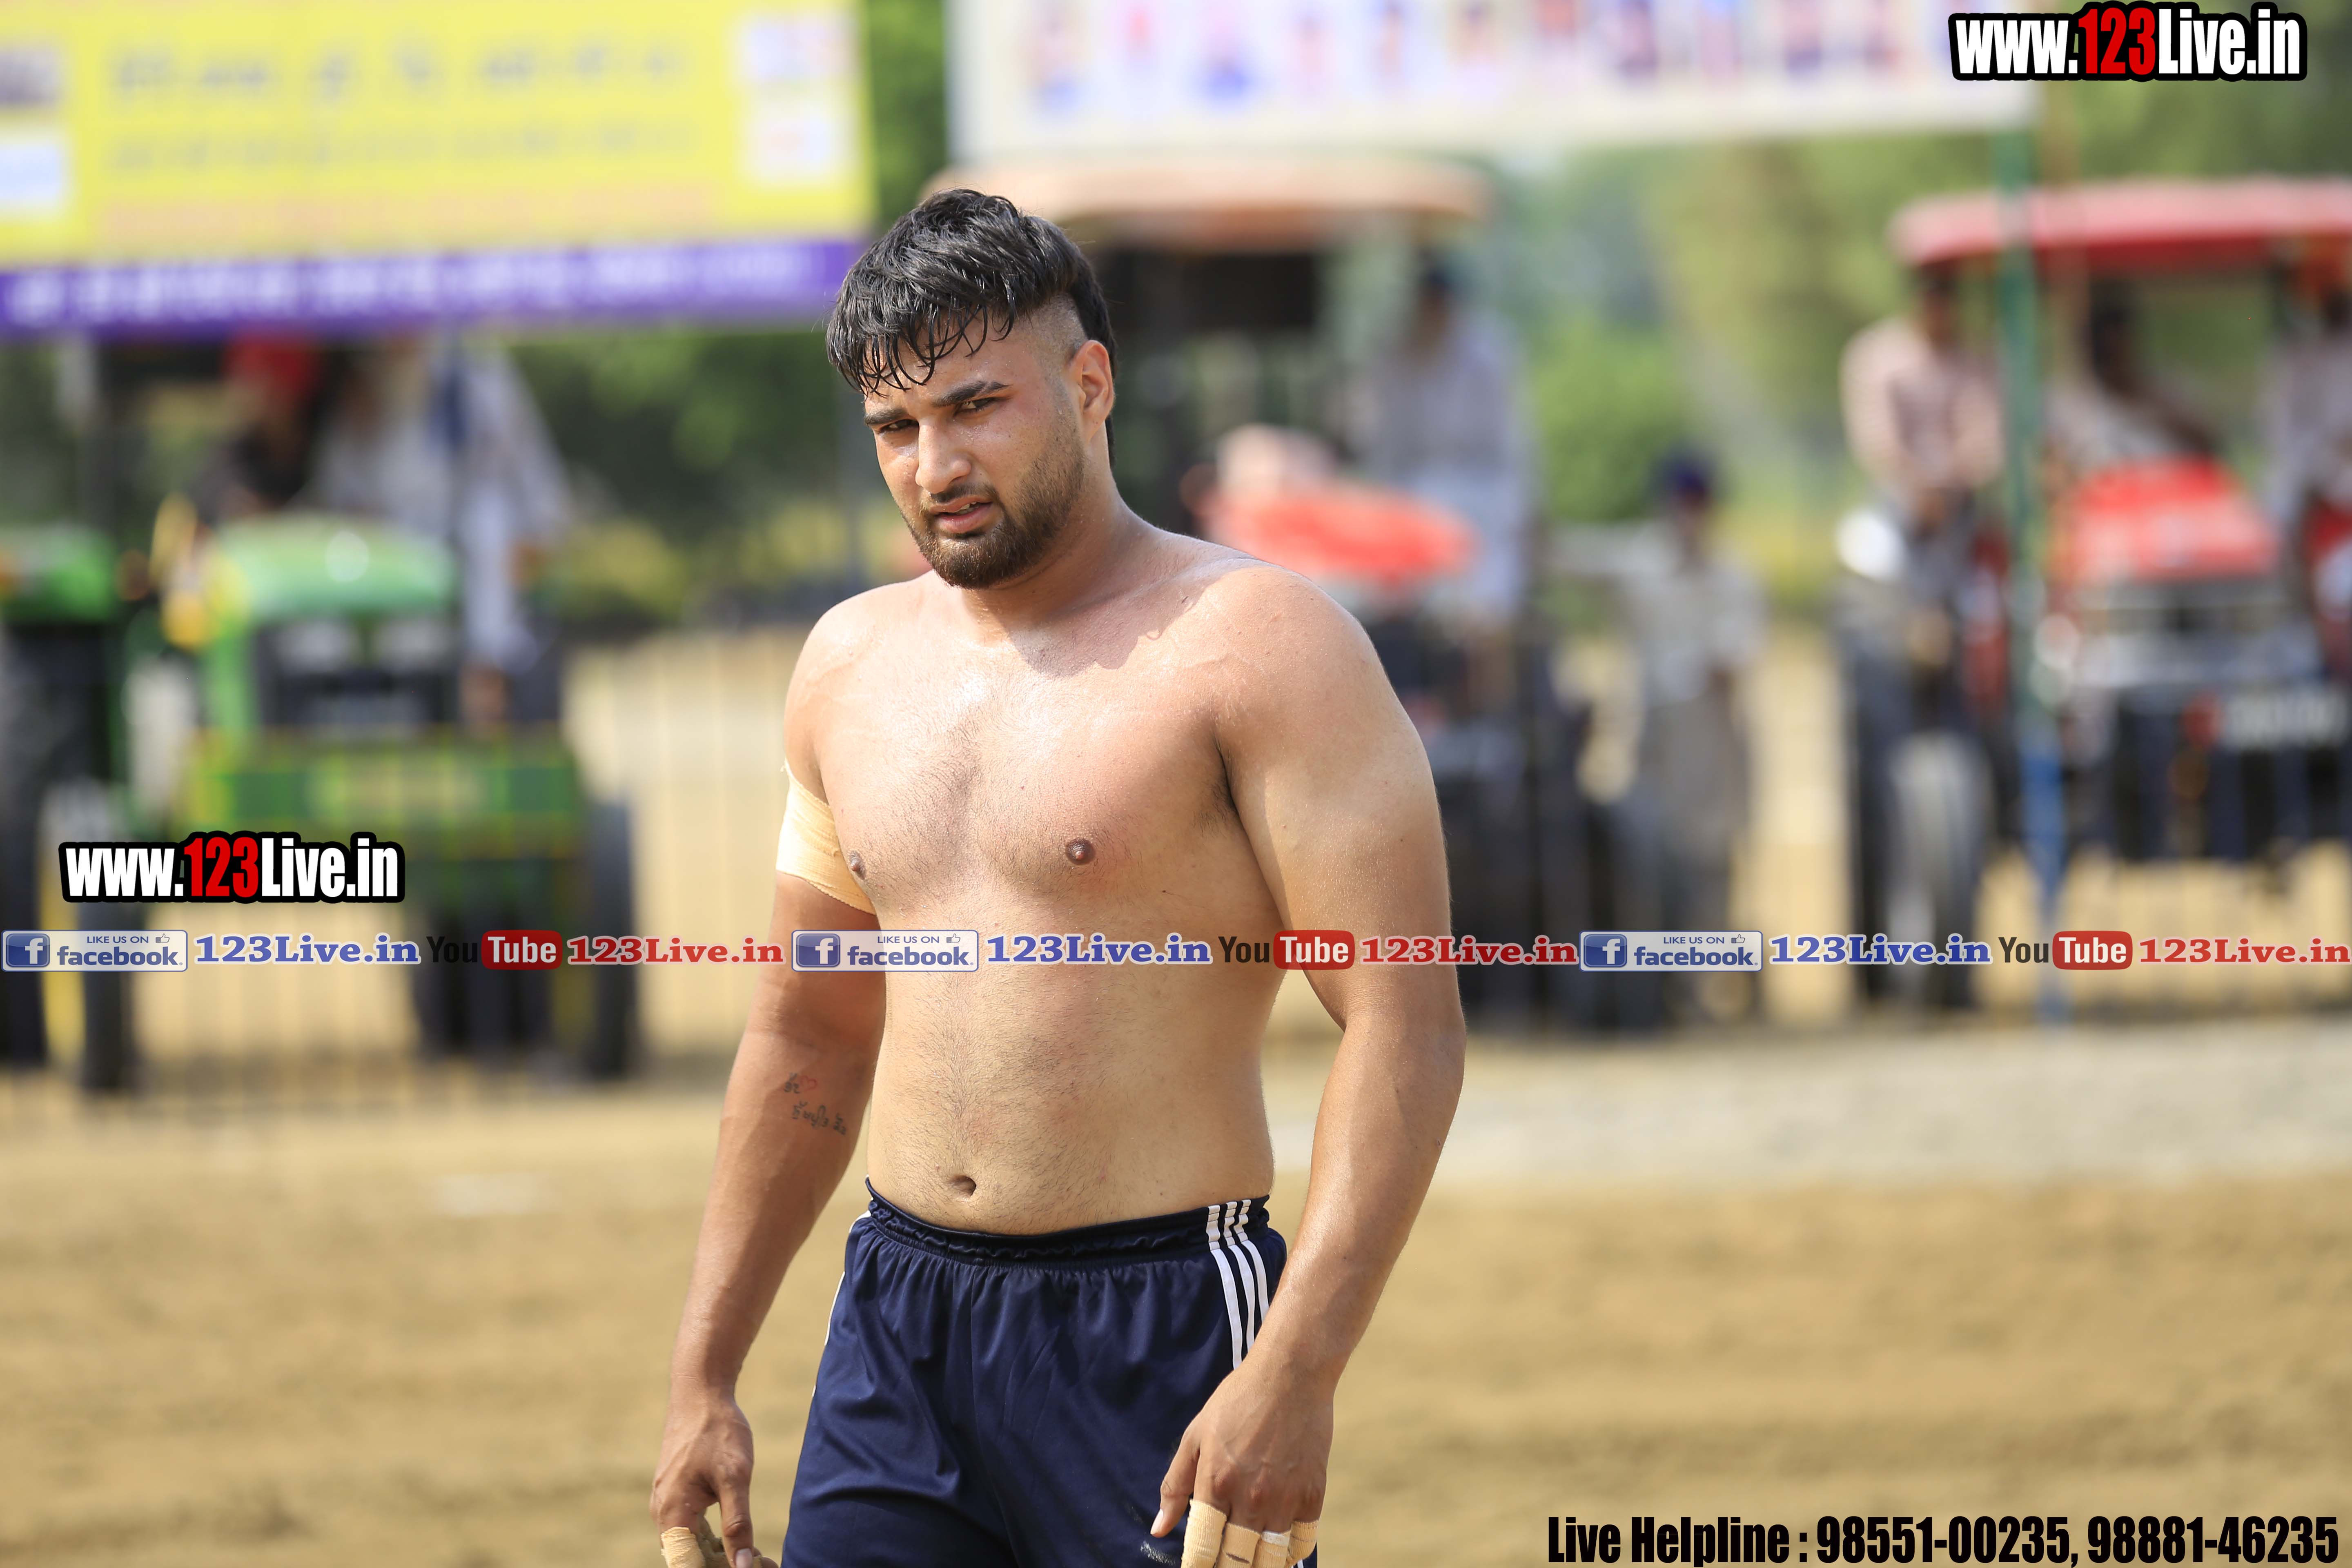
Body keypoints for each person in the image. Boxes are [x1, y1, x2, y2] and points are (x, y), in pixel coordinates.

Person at [649, 191, 1466, 1568]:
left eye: (977, 407)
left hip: (1158, 1329)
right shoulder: (847, 667)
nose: (935, 465)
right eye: (895, 428)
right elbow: (808, 1030)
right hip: (898, 1327)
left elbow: (1405, 1022)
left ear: (1090, 385)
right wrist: (703, 1376)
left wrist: (1297, 1368)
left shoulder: (1260, 647)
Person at [307, 333, 572, 724]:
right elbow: (337, 486)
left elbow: (529, 466)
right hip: (384, 547)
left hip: (467, 545)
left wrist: (542, 532)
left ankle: (486, 686)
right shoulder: (360, 380)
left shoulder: (480, 371)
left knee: (489, 520)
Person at [1619, 452, 1763, 953]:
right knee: (1654, 853)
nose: (1687, 516)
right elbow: (1572, 557)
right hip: (1657, 737)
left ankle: (1709, 961)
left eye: (1696, 504)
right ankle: (1665, 968)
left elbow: (1739, 653)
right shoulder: (1641, 565)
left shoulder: (1733, 577)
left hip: (1710, 742)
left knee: (1712, 857)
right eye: (1679, 504)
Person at [1349, 256, 1537, 635]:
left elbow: (1514, 442)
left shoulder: (1488, 354)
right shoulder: (1394, 356)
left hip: (1481, 494)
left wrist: (1527, 511)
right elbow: (1384, 445)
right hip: (1412, 494)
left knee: (1487, 602)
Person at [1839, 263, 2004, 543]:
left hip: (1961, 501)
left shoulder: (1974, 360)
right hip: (1895, 500)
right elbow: (1878, 438)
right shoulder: (1878, 356)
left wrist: (1950, 483)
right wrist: (1917, 487)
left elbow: (1984, 436)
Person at [2261, 256, 2352, 675]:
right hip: (2316, 492)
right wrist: (2329, 460)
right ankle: (2307, 638)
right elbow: (2285, 437)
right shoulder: (2296, 359)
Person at [2044, 283, 2218, 487]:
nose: (2113, 353)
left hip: (2171, 492)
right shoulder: (2066, 397)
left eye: (2118, 341)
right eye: (2104, 346)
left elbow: (2209, 444)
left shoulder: (2165, 386)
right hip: (2104, 495)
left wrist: (2150, 402)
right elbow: (2053, 468)